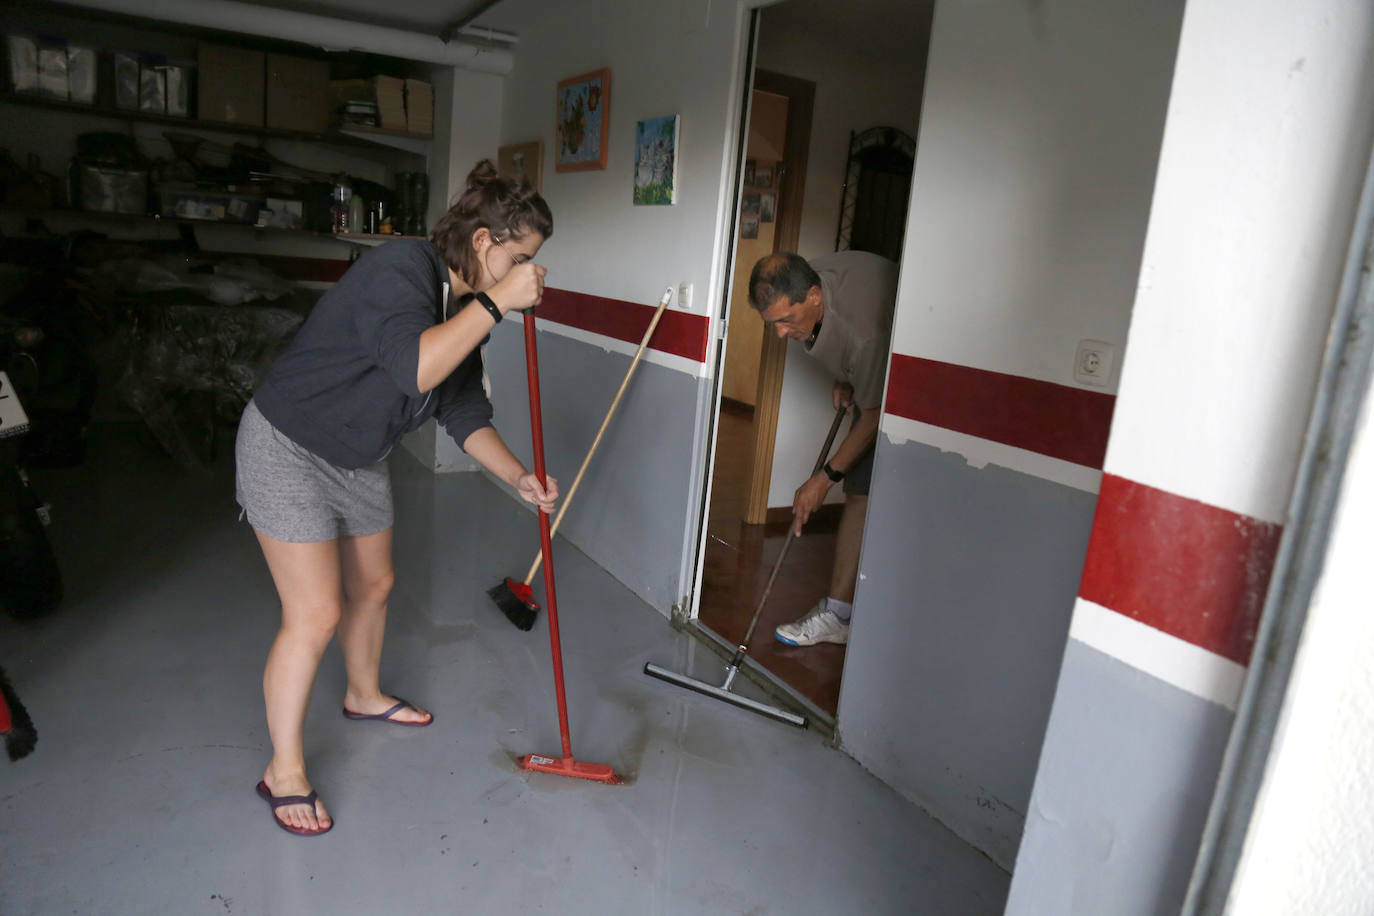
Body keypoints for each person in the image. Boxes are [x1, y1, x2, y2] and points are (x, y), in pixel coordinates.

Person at [235, 160, 559, 836]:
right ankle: (283, 771)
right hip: (288, 443)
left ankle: (363, 693)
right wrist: (498, 304)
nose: (532, 271)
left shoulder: (468, 309)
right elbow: (415, 366)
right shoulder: (401, 271)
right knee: (315, 613)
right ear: (483, 242)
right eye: (523, 256)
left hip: (358, 454)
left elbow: (461, 407)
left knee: (376, 585)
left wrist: (518, 476)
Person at [746, 250, 898, 648]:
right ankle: (841, 612)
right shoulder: (804, 276)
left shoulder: (863, 336)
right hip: (876, 357)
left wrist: (822, 480)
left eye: (786, 321)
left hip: (926, 380)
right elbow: (848, 350)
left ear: (814, 296)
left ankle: (840, 617)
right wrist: (847, 375)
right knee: (861, 492)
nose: (780, 334)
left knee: (861, 486)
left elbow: (874, 416)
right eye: (772, 323)